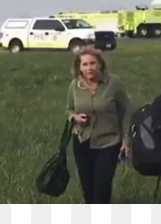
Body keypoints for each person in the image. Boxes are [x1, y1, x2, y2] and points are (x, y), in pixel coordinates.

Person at [65, 46, 131, 204]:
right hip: (82, 141)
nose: (89, 68)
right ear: (79, 67)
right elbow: (68, 109)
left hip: (108, 142)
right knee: (87, 187)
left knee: (102, 186)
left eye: (93, 63)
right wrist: (74, 117)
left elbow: (126, 112)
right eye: (85, 64)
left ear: (100, 64)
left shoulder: (114, 83)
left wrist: (126, 140)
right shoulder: (74, 86)